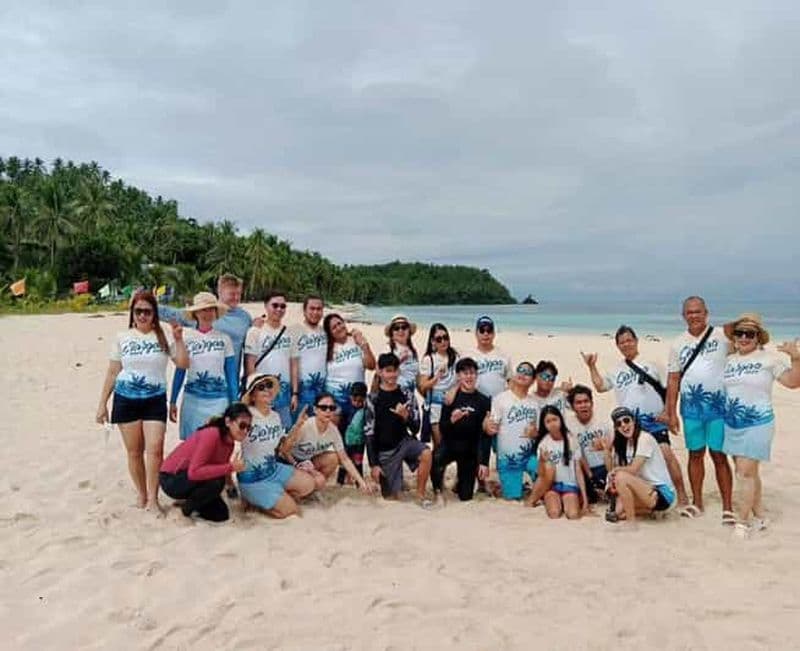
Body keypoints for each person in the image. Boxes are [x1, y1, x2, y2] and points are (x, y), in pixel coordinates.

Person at [96, 290, 189, 512]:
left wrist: (179, 339)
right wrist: (102, 404)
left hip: (155, 399)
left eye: (147, 311)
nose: (142, 316)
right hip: (126, 398)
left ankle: (154, 500)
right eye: (138, 311)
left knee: (155, 449)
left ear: (154, 313)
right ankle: (142, 494)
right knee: (134, 451)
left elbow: (183, 364)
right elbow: (112, 372)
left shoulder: (163, 336)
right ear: (132, 313)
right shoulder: (123, 337)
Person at [581, 325, 689, 507]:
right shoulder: (616, 370)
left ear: (636, 341)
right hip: (628, 425)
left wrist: (669, 413)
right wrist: (592, 366)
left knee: (666, 454)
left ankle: (682, 495)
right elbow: (600, 386)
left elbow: (671, 387)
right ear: (617, 346)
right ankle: (630, 493)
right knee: (625, 458)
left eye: (629, 340)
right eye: (622, 342)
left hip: (654, 421)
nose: (626, 344)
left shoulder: (652, 363)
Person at [720, 314, 800, 537]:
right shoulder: (729, 360)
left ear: (758, 338)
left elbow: (793, 382)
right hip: (733, 423)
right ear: (734, 337)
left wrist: (796, 358)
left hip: (759, 423)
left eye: (750, 334)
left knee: (744, 473)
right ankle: (760, 514)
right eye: (740, 333)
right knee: (748, 472)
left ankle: (742, 522)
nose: (744, 338)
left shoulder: (769, 359)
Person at [665, 296, 734, 523]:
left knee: (719, 455)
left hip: (718, 408)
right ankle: (697, 502)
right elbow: (673, 379)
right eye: (689, 312)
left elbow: (750, 329)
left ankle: (727, 506)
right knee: (695, 454)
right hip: (691, 410)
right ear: (683, 315)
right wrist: (671, 412)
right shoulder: (677, 343)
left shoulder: (722, 335)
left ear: (707, 313)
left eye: (698, 311)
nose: (694, 315)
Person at [236, 374, 318, 518]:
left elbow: (283, 449)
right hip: (253, 479)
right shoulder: (245, 417)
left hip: (273, 470)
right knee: (291, 511)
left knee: (309, 484)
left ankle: (272, 496)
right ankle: (253, 499)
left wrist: (298, 425)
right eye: (261, 387)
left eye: (269, 385)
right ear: (252, 396)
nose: (267, 390)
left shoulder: (275, 416)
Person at [159, 402, 249, 522]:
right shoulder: (212, 434)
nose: (245, 431)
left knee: (220, 515)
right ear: (228, 422)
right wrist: (231, 467)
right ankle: (183, 512)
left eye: (249, 427)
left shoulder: (229, 443)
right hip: (171, 479)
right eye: (242, 425)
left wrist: (231, 487)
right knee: (217, 481)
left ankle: (189, 501)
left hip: (194, 479)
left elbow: (220, 466)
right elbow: (194, 472)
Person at [169, 292, 238, 440]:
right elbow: (180, 370)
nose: (207, 313)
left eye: (211, 309)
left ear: (216, 312)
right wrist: (173, 400)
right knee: (192, 445)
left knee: (217, 441)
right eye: (203, 310)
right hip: (192, 400)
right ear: (195, 313)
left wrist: (234, 404)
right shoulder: (186, 338)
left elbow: (231, 374)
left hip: (219, 400)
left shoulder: (224, 339)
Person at [366, 353, 432, 507]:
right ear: (380, 372)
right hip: (385, 451)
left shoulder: (406, 394)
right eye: (388, 370)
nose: (392, 374)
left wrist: (406, 416)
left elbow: (416, 428)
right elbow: (369, 433)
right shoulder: (373, 398)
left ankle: (420, 495)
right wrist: (373, 464)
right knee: (392, 498)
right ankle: (394, 481)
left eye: (395, 370)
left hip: (404, 442)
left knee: (426, 453)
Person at [160, 273, 252, 369]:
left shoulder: (245, 317)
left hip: (231, 377)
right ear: (219, 292)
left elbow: (250, 350)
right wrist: (148, 305)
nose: (236, 298)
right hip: (202, 374)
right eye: (232, 294)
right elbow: (169, 313)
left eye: (239, 294)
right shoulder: (201, 312)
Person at [432, 358, 492, 503]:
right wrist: (452, 420)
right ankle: (437, 489)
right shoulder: (450, 398)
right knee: (435, 458)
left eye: (472, 373)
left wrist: (484, 462)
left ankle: (460, 483)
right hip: (450, 445)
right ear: (458, 376)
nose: (469, 377)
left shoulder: (484, 401)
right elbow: (442, 428)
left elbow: (486, 434)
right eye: (465, 373)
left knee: (466, 497)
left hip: (469, 450)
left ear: (477, 375)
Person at [605, 406, 677, 525]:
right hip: (643, 487)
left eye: (626, 420)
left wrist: (615, 471)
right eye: (619, 423)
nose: (623, 425)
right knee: (617, 513)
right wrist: (606, 451)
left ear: (634, 421)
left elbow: (633, 470)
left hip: (661, 492)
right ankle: (651, 511)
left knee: (621, 476)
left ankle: (631, 522)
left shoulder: (644, 438)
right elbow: (612, 470)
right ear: (616, 428)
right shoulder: (624, 444)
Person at [288, 391, 373, 493]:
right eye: (323, 408)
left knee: (333, 457)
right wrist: (296, 464)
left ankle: (312, 490)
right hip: (290, 462)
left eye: (332, 408)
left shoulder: (333, 430)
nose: (328, 411)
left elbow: (344, 459)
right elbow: (284, 450)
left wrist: (361, 482)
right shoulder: (305, 425)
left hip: (308, 462)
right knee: (318, 480)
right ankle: (301, 490)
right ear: (315, 409)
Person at [484, 361, 539, 500]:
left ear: (533, 381)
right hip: (508, 460)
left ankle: (528, 483)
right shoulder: (500, 399)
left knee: (546, 477)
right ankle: (508, 486)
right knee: (514, 497)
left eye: (528, 373)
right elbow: (492, 429)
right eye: (520, 371)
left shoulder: (535, 403)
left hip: (529, 456)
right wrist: (487, 425)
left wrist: (535, 433)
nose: (523, 375)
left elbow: (538, 432)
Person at [244, 289, 293, 429]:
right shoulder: (255, 331)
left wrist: (294, 393)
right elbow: (250, 365)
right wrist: (256, 392)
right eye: (275, 305)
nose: (279, 309)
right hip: (262, 394)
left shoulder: (288, 332)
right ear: (266, 306)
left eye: (283, 306)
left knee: (284, 432)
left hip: (283, 395)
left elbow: (291, 363)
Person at [530, 406, 588, 519]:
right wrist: (542, 460)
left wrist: (585, 499)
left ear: (560, 419)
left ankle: (571, 500)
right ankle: (552, 500)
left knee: (573, 515)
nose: (552, 424)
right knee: (554, 513)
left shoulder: (571, 439)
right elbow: (541, 475)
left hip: (570, 485)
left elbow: (578, 471)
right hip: (552, 487)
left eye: (555, 419)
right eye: (548, 421)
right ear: (544, 425)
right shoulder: (544, 443)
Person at [322, 312, 376, 429]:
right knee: (335, 439)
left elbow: (371, 365)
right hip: (335, 401)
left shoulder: (356, 340)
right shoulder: (326, 347)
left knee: (355, 438)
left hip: (357, 400)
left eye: (339, 323)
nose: (338, 328)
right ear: (329, 332)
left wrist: (364, 345)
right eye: (334, 327)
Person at [566, 384, 613, 504]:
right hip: (584, 470)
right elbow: (577, 454)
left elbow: (615, 446)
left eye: (586, 401)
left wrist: (605, 446)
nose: (583, 405)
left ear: (592, 403)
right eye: (578, 403)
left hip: (605, 467)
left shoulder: (603, 421)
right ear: (572, 407)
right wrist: (591, 478)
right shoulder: (569, 425)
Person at [418, 323, 459, 446]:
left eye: (445, 337)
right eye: (439, 339)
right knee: (439, 445)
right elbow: (423, 386)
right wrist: (436, 378)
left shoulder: (455, 356)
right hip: (435, 407)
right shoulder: (429, 359)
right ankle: (436, 465)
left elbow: (461, 379)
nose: (443, 342)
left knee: (451, 444)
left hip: (452, 404)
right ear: (433, 342)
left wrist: (454, 391)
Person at [289, 294, 327, 418]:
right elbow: (292, 362)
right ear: (304, 310)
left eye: (319, 309)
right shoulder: (294, 330)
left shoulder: (325, 332)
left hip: (323, 388)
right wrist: (294, 393)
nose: (315, 312)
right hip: (302, 389)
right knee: (300, 428)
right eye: (312, 308)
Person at [336, 381, 368, 485]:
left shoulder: (366, 409)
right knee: (344, 463)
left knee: (358, 461)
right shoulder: (346, 408)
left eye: (360, 400)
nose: (357, 403)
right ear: (350, 397)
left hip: (359, 441)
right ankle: (340, 482)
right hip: (346, 440)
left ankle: (360, 482)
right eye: (355, 400)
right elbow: (341, 426)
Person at [384, 314, 420, 397]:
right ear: (391, 333)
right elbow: (381, 372)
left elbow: (416, 376)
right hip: (393, 395)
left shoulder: (412, 350)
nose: (401, 330)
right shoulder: (388, 349)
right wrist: (399, 360)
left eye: (404, 327)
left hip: (410, 395)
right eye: (396, 328)